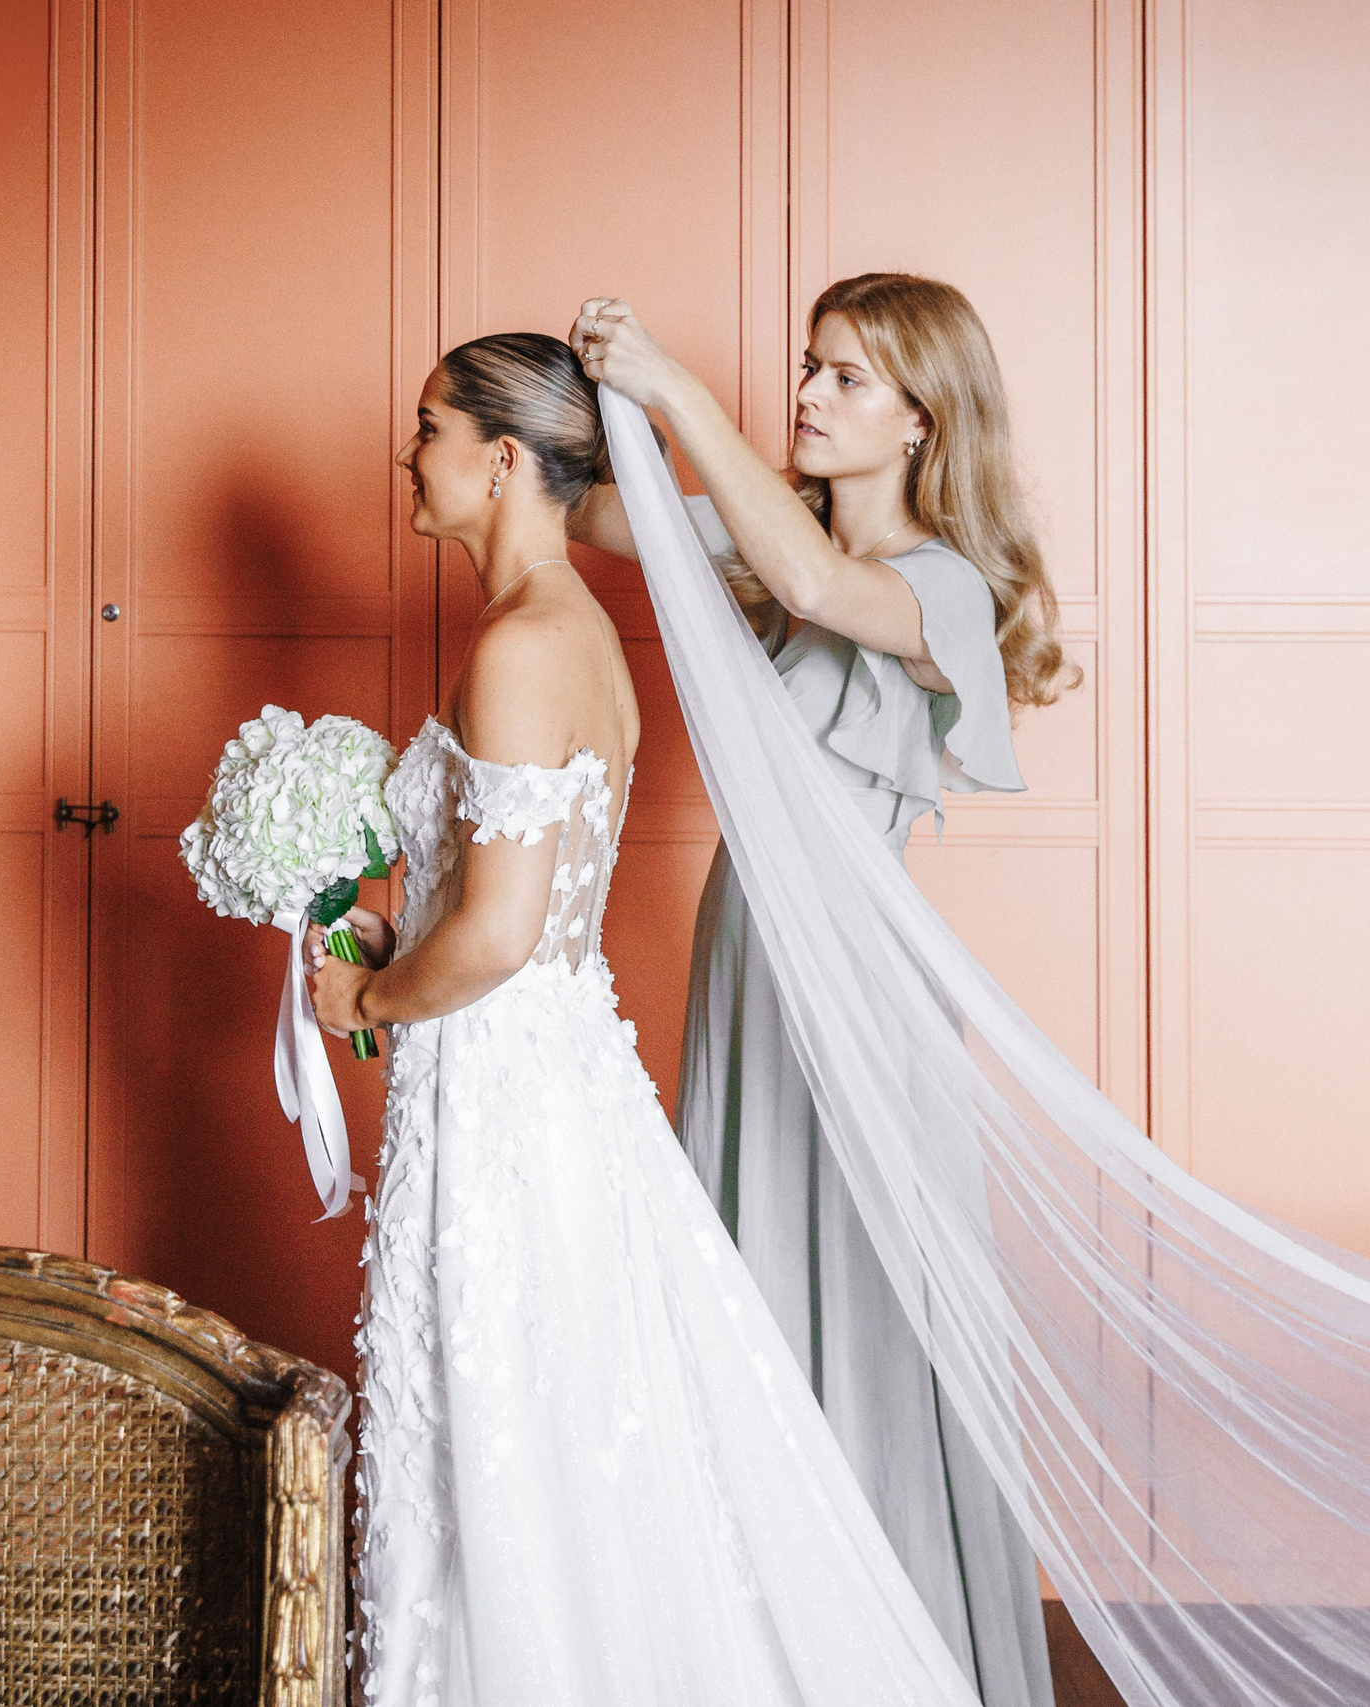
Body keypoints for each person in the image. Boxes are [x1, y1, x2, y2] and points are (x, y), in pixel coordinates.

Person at [306, 331, 983, 1706]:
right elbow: (519, 907)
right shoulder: (568, 631)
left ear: (500, 461)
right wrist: (397, 935)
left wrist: (369, 995)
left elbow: (499, 935)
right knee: (560, 1417)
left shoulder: (525, 645)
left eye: (429, 428)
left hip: (515, 1086)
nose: (404, 455)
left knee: (514, 1421)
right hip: (541, 1069)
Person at [567, 276, 1075, 1707]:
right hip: (751, 964)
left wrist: (672, 386)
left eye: (847, 379)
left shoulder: (943, 590)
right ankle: (765, 1648)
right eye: (810, 366)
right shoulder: (767, 543)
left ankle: (889, 1653)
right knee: (748, 1293)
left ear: (923, 420)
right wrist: (551, 400)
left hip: (851, 988)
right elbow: (606, 516)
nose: (807, 395)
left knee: (856, 1307)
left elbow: (809, 583)